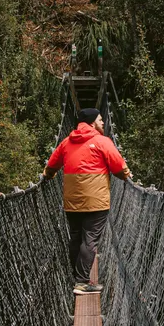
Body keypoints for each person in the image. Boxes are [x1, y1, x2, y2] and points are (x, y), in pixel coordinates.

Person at [42, 107, 131, 294]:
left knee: (76, 237)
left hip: (72, 201)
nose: (103, 122)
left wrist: (48, 175)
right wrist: (126, 175)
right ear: (91, 123)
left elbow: (51, 165)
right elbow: (118, 166)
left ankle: (78, 278)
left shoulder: (66, 142)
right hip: (96, 201)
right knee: (90, 240)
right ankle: (82, 283)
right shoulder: (102, 141)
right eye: (100, 120)